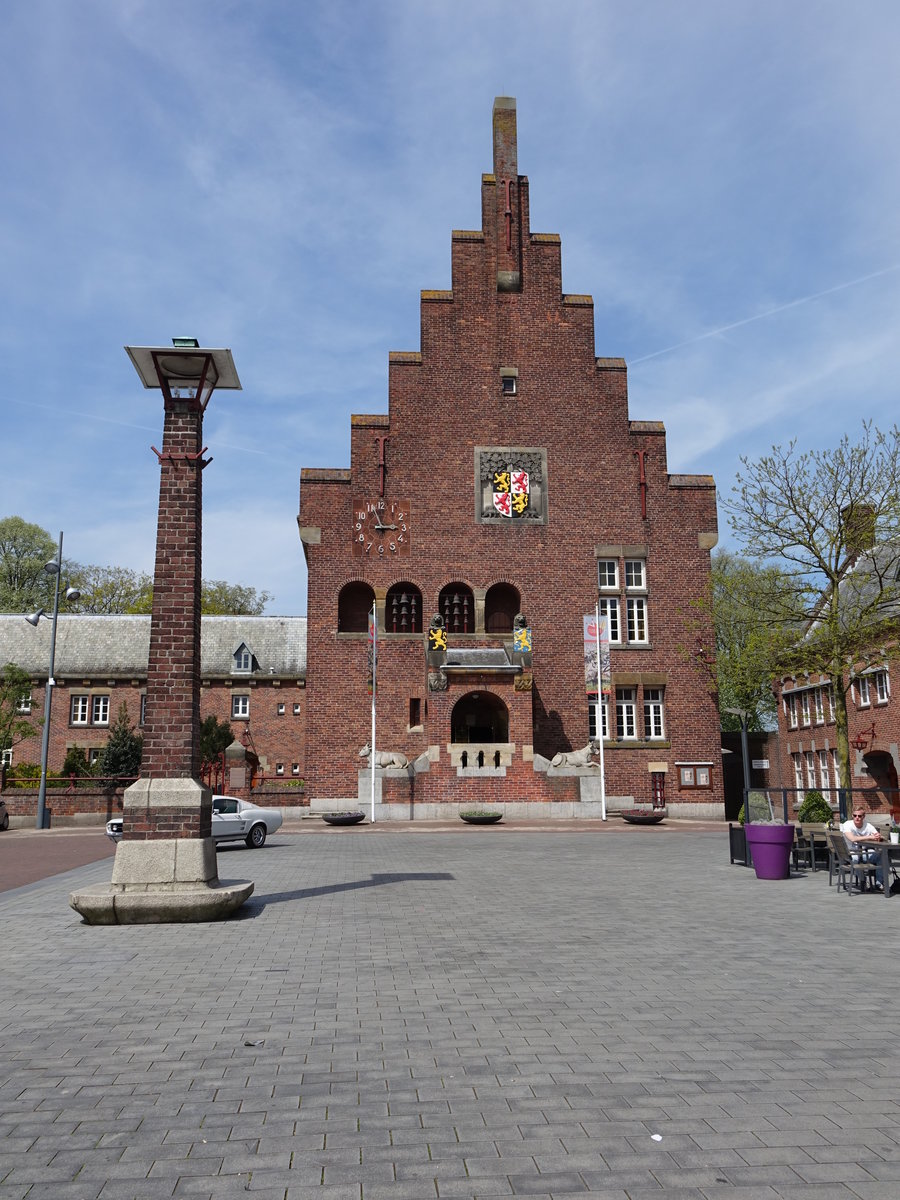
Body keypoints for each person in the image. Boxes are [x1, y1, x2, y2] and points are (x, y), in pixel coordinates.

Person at [841, 806, 884, 890]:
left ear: (863, 817)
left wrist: (878, 836)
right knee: (855, 858)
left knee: (881, 856)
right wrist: (869, 837)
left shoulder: (868, 825)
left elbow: (877, 835)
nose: (857, 818)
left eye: (859, 816)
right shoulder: (847, 824)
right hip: (850, 852)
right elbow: (852, 838)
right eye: (854, 815)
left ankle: (879, 883)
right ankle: (863, 880)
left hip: (865, 852)